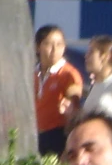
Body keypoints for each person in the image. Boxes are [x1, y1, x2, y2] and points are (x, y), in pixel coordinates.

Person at [33, 25, 83, 155]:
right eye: (48, 44)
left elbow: (74, 99)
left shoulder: (68, 74)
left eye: (59, 44)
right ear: (38, 47)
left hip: (58, 134)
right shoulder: (33, 73)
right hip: (37, 133)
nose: (54, 49)